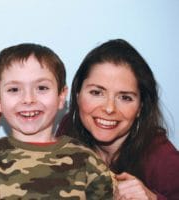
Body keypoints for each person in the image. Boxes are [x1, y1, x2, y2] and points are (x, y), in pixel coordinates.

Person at [0, 43, 114, 199]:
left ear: (61, 96)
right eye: (14, 89)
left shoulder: (87, 161)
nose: (28, 99)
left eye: (41, 88)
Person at [56, 39, 179, 200]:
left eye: (125, 97)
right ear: (78, 94)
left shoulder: (162, 157)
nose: (109, 108)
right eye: (96, 93)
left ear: (140, 107)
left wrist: (153, 198)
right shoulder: (68, 129)